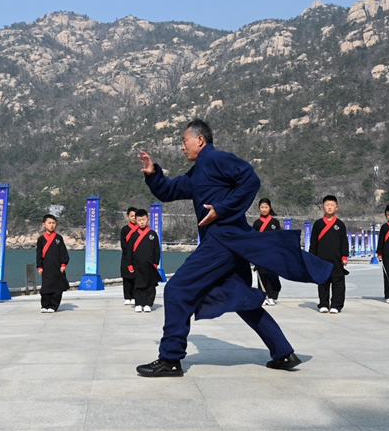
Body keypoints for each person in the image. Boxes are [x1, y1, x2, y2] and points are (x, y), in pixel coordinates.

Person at [135, 119, 332, 377]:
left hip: (222, 240)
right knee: (240, 297)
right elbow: (170, 190)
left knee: (177, 289)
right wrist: (152, 173)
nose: (181, 147)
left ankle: (170, 359)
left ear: (200, 140)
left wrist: (222, 209)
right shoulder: (198, 172)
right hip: (228, 243)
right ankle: (283, 353)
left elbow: (251, 179)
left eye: (184, 141)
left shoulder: (216, 159)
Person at [309, 195, 349, 314]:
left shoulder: (340, 224)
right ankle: (324, 304)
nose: (329, 207)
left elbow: (344, 242)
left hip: (337, 259)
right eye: (327, 205)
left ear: (337, 207)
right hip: (321, 259)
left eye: (332, 205)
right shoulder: (318, 224)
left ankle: (336, 305)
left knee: (338, 282)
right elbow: (313, 241)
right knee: (323, 282)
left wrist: (344, 256)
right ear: (322, 207)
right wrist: (312, 257)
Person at [127, 209, 161, 313]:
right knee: (138, 285)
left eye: (144, 219)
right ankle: (139, 303)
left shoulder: (152, 234)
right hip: (137, 264)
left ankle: (148, 304)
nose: (142, 222)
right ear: (136, 221)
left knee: (150, 285)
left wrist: (155, 262)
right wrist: (130, 264)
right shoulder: (133, 235)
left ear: (148, 219)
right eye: (139, 220)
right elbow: (129, 251)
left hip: (150, 265)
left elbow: (156, 249)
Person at [36, 214, 70, 313]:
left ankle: (54, 306)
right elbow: (39, 253)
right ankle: (45, 305)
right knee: (46, 288)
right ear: (44, 224)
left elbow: (63, 252)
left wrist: (63, 264)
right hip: (46, 267)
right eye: (49, 223)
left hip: (58, 268)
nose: (52, 225)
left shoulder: (59, 238)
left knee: (57, 288)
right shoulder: (41, 239)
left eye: (54, 223)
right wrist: (40, 266)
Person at [251, 198, 282, 306]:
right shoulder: (257, 223)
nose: (264, 209)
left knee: (272, 275)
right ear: (259, 208)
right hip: (261, 253)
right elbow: (253, 239)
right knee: (262, 274)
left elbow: (279, 238)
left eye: (266, 207)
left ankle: (272, 296)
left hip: (273, 253)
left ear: (270, 208)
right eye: (262, 207)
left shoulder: (275, 222)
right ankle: (263, 296)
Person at [119, 207, 139, 306]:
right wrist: (130, 253)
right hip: (126, 256)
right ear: (128, 217)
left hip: (138, 257)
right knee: (127, 278)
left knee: (137, 278)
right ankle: (127, 297)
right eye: (131, 216)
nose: (133, 218)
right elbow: (123, 245)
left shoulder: (141, 229)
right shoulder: (125, 229)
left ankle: (135, 297)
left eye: (135, 216)